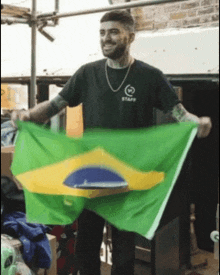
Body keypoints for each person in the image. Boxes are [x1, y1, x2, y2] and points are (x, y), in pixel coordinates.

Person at [12, 10, 212, 275]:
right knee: (86, 249)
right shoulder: (87, 74)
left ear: (130, 35)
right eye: (102, 33)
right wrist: (28, 116)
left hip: (128, 180)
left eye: (114, 32)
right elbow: (54, 106)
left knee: (124, 255)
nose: (106, 38)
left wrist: (196, 123)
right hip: (89, 177)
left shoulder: (150, 77)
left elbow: (179, 114)